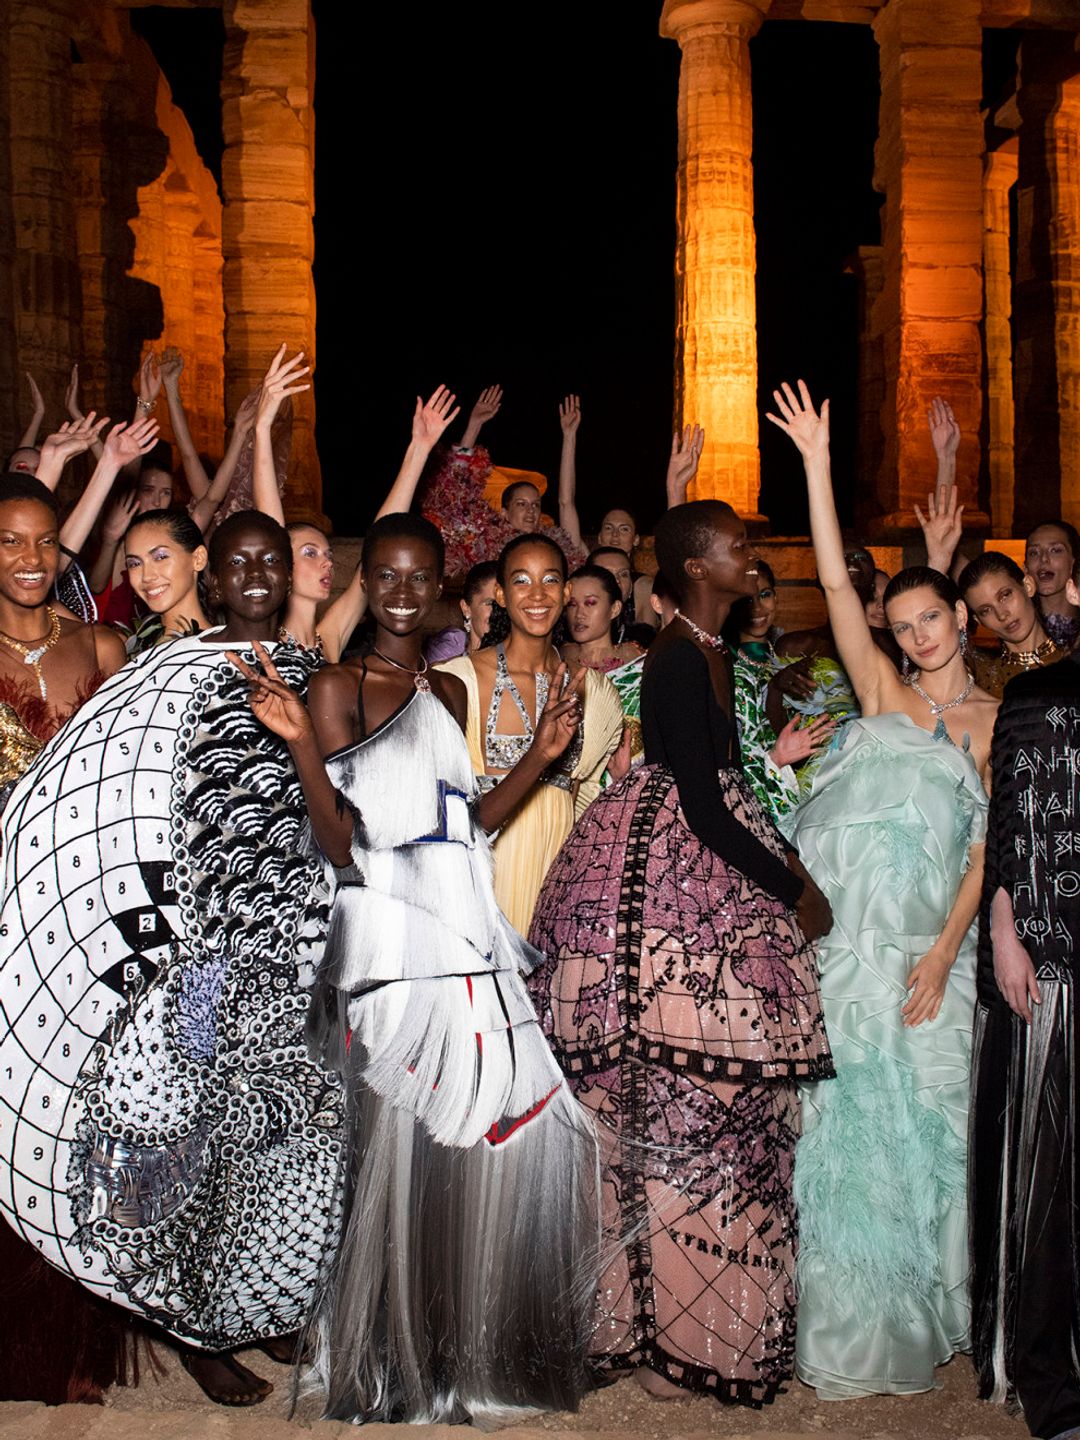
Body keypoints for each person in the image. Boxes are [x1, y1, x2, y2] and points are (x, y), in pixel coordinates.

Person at [231, 512, 599, 1424]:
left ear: (438, 587)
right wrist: (303, 749)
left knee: (464, 1147)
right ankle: (384, 1364)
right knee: (390, 1151)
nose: (400, 590)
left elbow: (463, 824)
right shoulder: (339, 685)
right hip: (385, 943)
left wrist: (542, 762)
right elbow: (341, 845)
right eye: (384, 573)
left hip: (457, 926)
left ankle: (453, 1353)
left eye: (418, 576)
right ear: (371, 579)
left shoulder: (442, 688)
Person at [0, 510, 341, 1407]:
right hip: (196, 955)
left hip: (295, 946)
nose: (258, 574)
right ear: (213, 579)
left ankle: (271, 1300)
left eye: (273, 559)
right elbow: (106, 793)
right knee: (187, 1132)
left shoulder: (314, 671)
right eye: (239, 564)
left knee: (291, 1128)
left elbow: (340, 823)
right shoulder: (155, 672)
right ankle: (192, 1326)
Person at [528, 499, 834, 1406]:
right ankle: (652, 1329)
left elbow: (730, 792)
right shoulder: (670, 657)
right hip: (663, 883)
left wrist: (780, 871)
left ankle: (691, 1324)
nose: (753, 556)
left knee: (711, 1104)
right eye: (741, 546)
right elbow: (701, 807)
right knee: (665, 1099)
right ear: (697, 566)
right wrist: (790, 888)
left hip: (704, 869)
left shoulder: (711, 646)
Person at [768, 380, 996, 1400]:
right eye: (899, 625)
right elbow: (831, 580)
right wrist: (816, 465)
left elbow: (991, 849)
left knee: (937, 1126)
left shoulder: (999, 720)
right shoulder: (880, 692)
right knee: (851, 1124)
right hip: (856, 951)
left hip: (937, 950)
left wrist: (948, 951)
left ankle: (941, 1305)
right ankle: (860, 1319)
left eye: (928, 619)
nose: (914, 637)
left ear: (958, 616)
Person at [0, 472, 128, 1406]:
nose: (32, 559)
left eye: (46, 541)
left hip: (78, 920)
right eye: (11, 541)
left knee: (73, 1125)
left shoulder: (104, 647)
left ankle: (76, 1345)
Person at [970, 560, 1080, 1440]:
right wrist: (1006, 933)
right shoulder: (1037, 695)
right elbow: (1006, 828)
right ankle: (1052, 1384)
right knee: (1050, 1178)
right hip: (1055, 968)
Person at [437, 531, 623, 934]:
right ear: (501, 595)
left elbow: (586, 797)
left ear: (568, 590)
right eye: (521, 580)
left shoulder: (595, 691)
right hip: (478, 888)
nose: (537, 594)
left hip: (561, 888)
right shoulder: (457, 681)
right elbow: (441, 814)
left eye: (550, 579)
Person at [722, 560, 836, 822]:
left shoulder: (792, 652)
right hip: (760, 797)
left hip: (816, 784)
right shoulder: (725, 664)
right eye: (747, 600)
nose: (759, 608)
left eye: (765, 595)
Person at [957, 552, 1064, 697]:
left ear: (1028, 586)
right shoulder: (976, 677)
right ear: (978, 620)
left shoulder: (1072, 661)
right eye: (986, 610)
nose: (1001, 615)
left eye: (1005, 595)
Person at [122, 508, 210, 651]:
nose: (147, 576)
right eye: (135, 564)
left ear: (198, 559)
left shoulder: (228, 653)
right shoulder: (124, 652)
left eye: (161, 557)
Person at [562, 563, 643, 674]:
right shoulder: (556, 659)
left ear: (615, 608)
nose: (579, 614)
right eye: (572, 604)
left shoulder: (637, 663)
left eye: (590, 603)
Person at [1025, 521, 1080, 650]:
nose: (1044, 558)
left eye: (1055, 550)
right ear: (1026, 567)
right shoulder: (1017, 624)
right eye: (1034, 552)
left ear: (1074, 561)